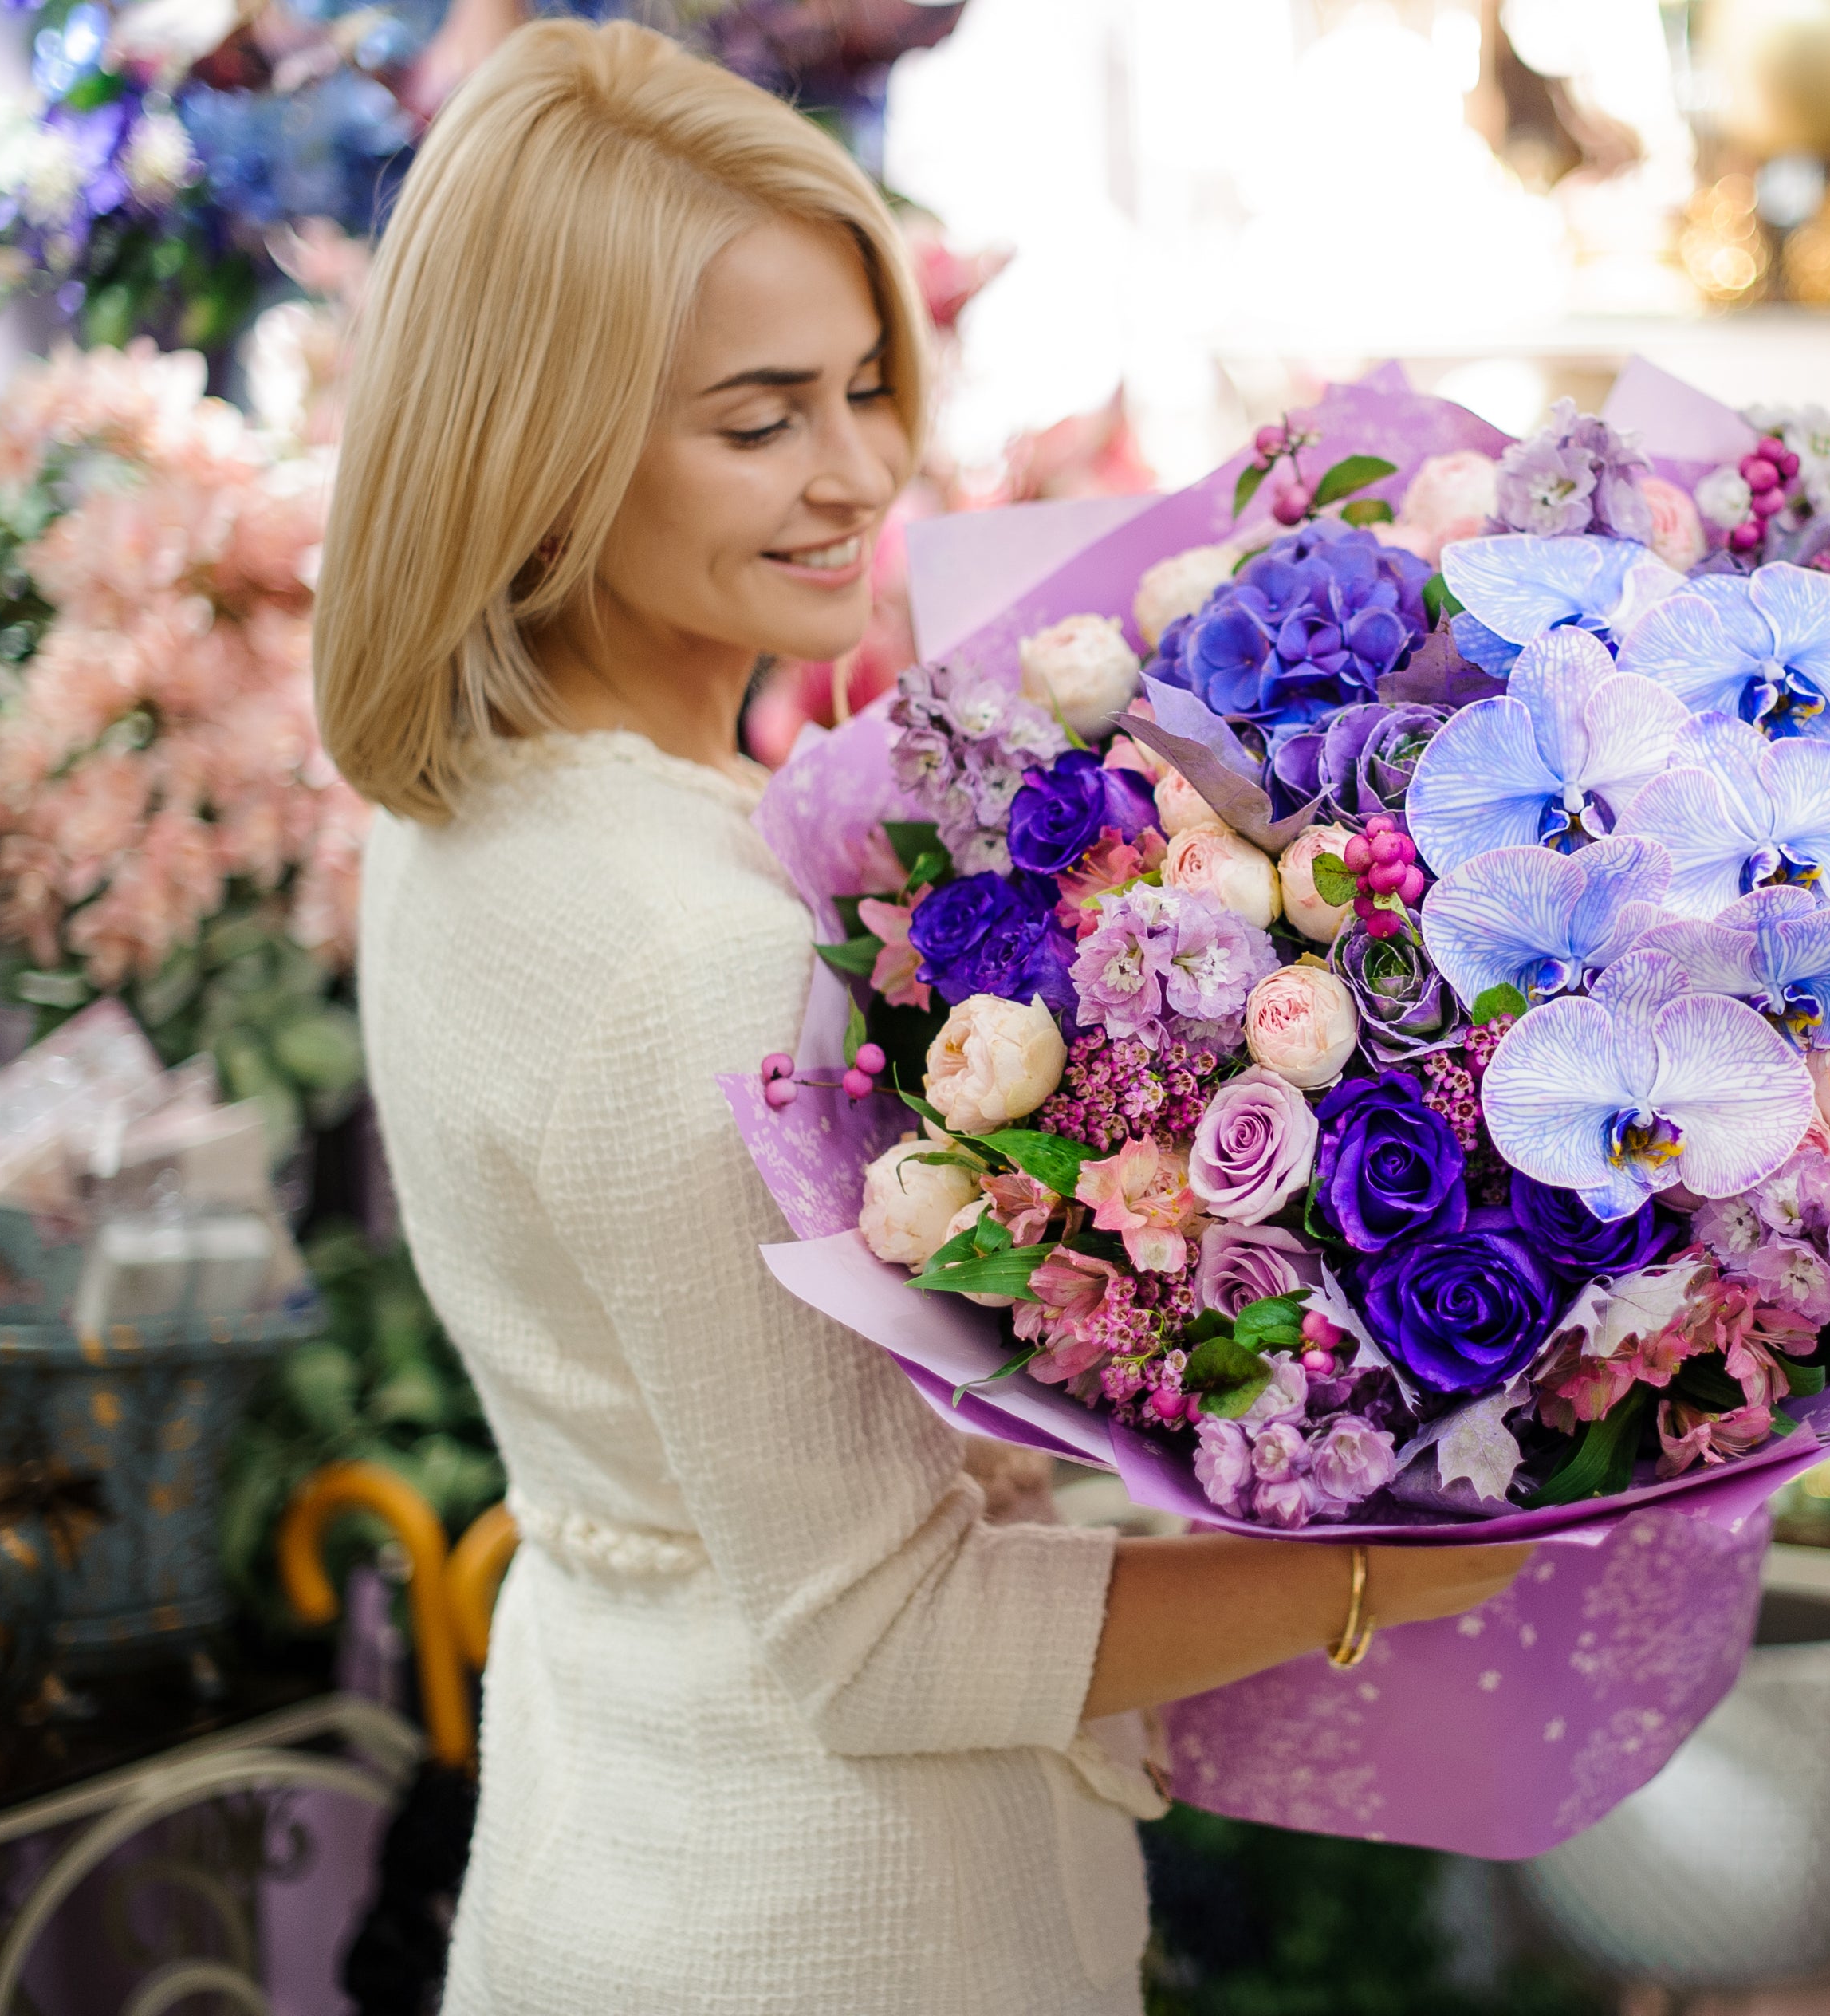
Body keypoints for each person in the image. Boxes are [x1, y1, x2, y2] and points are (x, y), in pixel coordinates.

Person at [313, 22, 1528, 2014]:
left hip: (621, 1838)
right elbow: (885, 1639)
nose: (862, 471)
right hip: (823, 1927)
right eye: (761, 416)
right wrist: (1388, 1569)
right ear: (542, 439)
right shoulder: (683, 957)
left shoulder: (464, 828)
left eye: (868, 387)